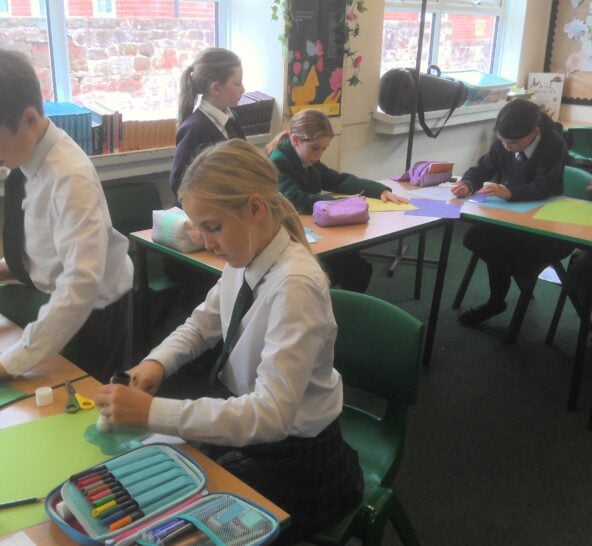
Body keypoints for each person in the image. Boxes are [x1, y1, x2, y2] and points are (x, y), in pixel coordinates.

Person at [96, 139, 363, 545]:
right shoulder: (246, 256)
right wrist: (157, 363)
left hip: (302, 463)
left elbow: (270, 416)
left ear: (254, 208)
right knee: (167, 486)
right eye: (200, 228)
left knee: (178, 524)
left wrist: (152, 412)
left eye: (213, 226)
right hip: (259, 439)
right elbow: (202, 324)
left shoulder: (295, 286)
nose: (206, 241)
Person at [0, 47, 134, 385]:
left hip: (92, 316)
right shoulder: (24, 156)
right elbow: (46, 233)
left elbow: (80, 283)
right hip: (61, 303)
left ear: (29, 120)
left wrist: (12, 361)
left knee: (80, 400)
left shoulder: (69, 177)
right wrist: (16, 265)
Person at [451, 98, 574, 326]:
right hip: (511, 218)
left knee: (499, 246)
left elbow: (544, 186)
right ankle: (503, 295)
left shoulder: (553, 144)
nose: (507, 146)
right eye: (502, 140)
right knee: (475, 237)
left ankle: (500, 297)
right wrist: (467, 184)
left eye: (513, 142)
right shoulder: (504, 143)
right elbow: (483, 167)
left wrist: (509, 192)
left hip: (545, 223)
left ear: (534, 132)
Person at [267, 108, 409, 293]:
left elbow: (338, 180)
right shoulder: (279, 161)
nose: (319, 154)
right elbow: (296, 199)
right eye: (315, 148)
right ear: (295, 140)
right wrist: (341, 203)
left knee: (358, 268)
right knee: (355, 270)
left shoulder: (307, 159)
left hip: (314, 229)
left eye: (323, 149)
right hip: (293, 238)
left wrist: (379, 190)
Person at [169, 47, 246, 203]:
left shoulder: (232, 120)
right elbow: (180, 185)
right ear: (216, 88)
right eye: (237, 83)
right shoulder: (194, 129)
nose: (243, 89)